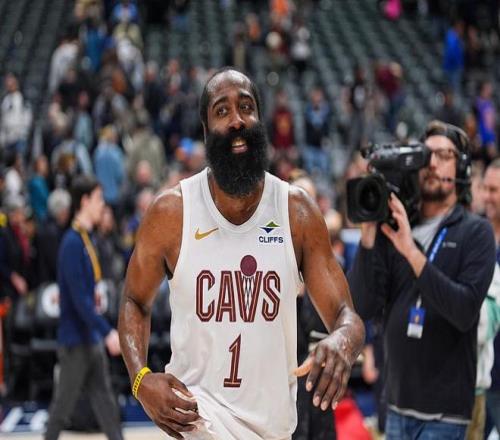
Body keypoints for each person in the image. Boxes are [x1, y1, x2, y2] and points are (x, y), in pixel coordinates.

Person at [118, 67, 365, 439]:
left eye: (246, 107)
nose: (236, 120)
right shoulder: (171, 213)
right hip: (197, 424)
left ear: (260, 121)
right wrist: (140, 380)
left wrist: (341, 341)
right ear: (206, 130)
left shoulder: (296, 212)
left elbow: (348, 316)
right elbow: (134, 300)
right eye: (222, 111)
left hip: (274, 428)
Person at [348, 120, 497, 439]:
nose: (432, 163)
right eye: (426, 155)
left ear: (462, 167)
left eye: (444, 155)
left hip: (445, 414)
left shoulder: (476, 231)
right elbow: (362, 306)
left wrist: (411, 251)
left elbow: (464, 311)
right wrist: (369, 236)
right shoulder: (394, 227)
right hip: (396, 406)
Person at [44, 176, 123, 440]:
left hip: (90, 337)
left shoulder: (86, 239)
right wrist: (107, 332)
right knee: (62, 408)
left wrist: (100, 332)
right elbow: (79, 299)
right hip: (75, 341)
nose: (103, 205)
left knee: (106, 404)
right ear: (85, 201)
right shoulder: (72, 243)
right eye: (98, 199)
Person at [483, 158, 500, 436]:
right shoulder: (475, 233)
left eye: (494, 190)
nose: (486, 196)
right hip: (478, 372)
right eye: (484, 189)